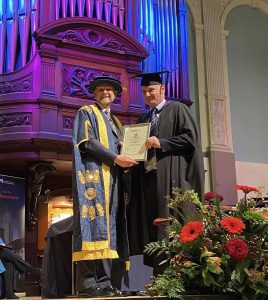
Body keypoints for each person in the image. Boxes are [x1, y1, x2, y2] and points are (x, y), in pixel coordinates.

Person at [128, 71, 205, 273]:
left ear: (162, 89)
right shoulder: (143, 118)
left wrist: (161, 143)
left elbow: (190, 139)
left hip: (172, 180)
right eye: (144, 91)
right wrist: (126, 148)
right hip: (149, 181)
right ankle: (159, 273)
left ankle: (177, 272)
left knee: (172, 224)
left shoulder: (177, 109)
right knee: (153, 225)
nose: (147, 95)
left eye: (151, 90)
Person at [72, 75, 137, 297]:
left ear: (116, 94)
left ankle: (104, 280)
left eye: (109, 90)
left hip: (112, 180)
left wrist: (123, 150)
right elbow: (86, 142)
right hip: (94, 180)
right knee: (92, 225)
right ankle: (87, 283)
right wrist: (115, 157)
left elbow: (120, 149)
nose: (105, 93)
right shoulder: (86, 112)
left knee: (108, 228)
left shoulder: (116, 122)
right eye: (101, 90)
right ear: (94, 93)